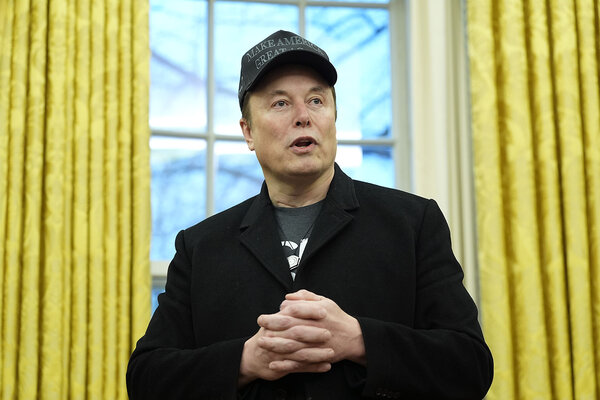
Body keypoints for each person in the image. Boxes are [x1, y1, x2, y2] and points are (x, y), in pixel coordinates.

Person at [126, 30, 493, 399]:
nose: (303, 116)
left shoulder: (413, 224)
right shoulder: (200, 246)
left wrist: (359, 340)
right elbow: (146, 379)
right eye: (281, 103)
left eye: (316, 100)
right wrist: (245, 360)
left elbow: (470, 366)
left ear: (334, 118)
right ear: (248, 131)